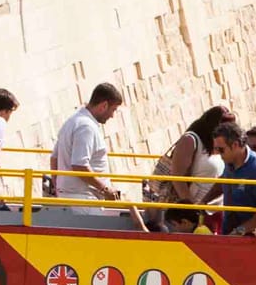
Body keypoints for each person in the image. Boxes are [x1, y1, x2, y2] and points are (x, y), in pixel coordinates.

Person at [51, 82, 142, 225]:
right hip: (84, 200)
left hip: (73, 196)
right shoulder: (86, 127)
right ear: (103, 105)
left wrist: (58, 187)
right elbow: (80, 165)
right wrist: (105, 189)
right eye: (113, 110)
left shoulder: (73, 121)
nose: (112, 115)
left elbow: (54, 158)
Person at [150, 105, 232, 229]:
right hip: (189, 215)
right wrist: (192, 209)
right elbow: (178, 178)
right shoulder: (190, 140)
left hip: (213, 210)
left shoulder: (216, 146)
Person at [212, 120, 256, 235]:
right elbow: (223, 181)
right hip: (229, 229)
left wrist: (241, 231)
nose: (218, 154)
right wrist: (203, 202)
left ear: (235, 145)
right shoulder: (229, 161)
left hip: (249, 237)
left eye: (221, 149)